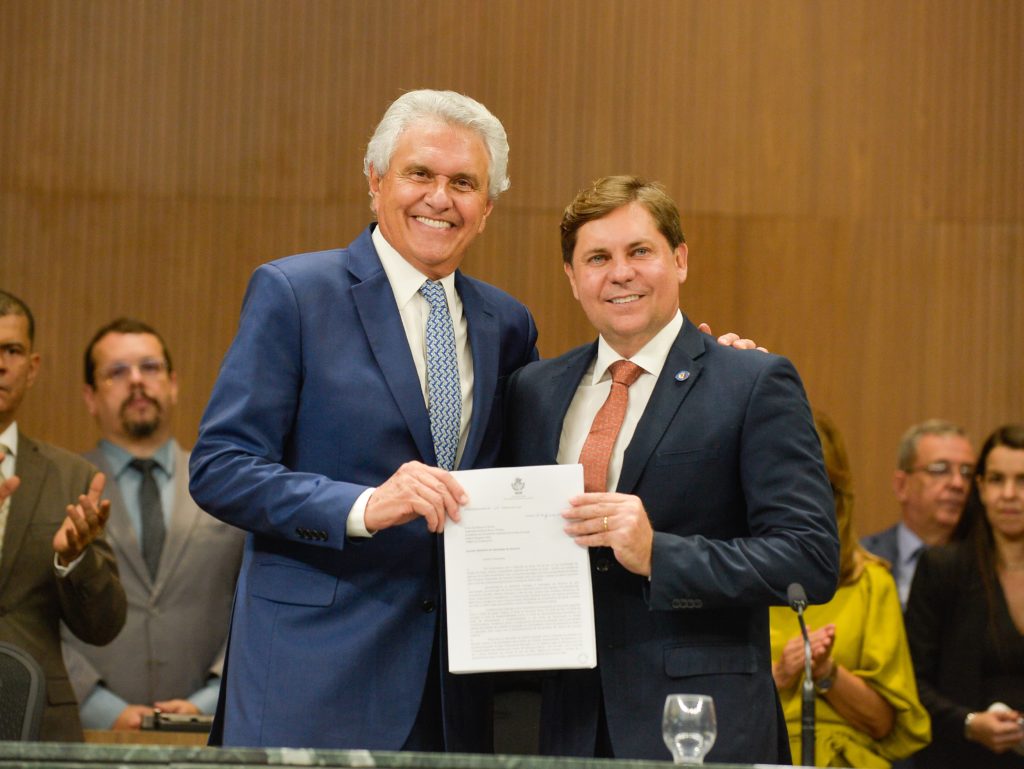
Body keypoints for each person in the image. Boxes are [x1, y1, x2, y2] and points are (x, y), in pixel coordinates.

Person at [187, 89, 539, 752]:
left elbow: (535, 470)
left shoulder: (509, 324)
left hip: (450, 696)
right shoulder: (294, 294)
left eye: (464, 182)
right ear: (375, 182)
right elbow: (221, 468)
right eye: (420, 173)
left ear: (488, 208)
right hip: (311, 679)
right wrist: (363, 507)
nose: (440, 197)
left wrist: (699, 374)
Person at [501, 176, 839, 763]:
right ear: (572, 277)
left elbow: (808, 560)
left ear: (679, 260)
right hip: (563, 725)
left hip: (700, 725)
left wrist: (660, 554)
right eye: (597, 258)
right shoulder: (532, 391)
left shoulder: (751, 382)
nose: (620, 273)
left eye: (640, 251)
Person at [61, 318, 245, 731]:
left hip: (211, 728)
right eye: (117, 372)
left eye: (149, 367)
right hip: (85, 732)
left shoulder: (225, 485)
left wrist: (209, 699)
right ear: (90, 397)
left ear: (173, 384)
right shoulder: (60, 487)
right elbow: (35, 612)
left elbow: (254, 600)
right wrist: (101, 708)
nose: (136, 381)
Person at [770, 410, 930, 767]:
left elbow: (884, 725)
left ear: (837, 498)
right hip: (759, 754)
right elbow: (694, 713)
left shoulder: (870, 582)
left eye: (815, 490)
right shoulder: (728, 580)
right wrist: (779, 675)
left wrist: (826, 672)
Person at [0, 290, 127, 741]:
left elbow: (103, 626)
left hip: (39, 726)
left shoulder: (71, 477)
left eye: (11, 350)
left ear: (32, 368)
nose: (0, 364)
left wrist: (74, 560)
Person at [905, 424, 1024, 768]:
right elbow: (912, 681)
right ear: (981, 488)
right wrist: (969, 723)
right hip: (959, 757)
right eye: (997, 480)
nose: (1009, 494)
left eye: (1022, 480)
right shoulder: (943, 568)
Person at [862, 420, 975, 608]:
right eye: (940, 469)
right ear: (901, 486)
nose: (958, 483)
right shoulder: (863, 559)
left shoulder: (987, 561)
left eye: (967, 473)